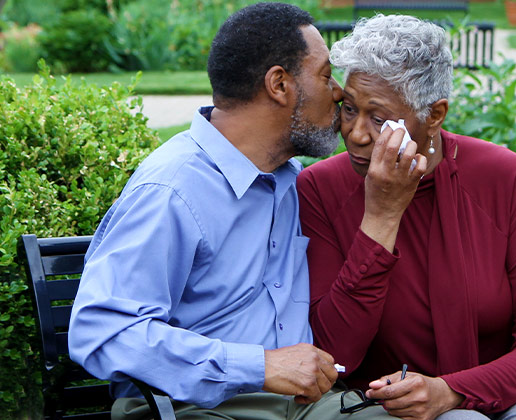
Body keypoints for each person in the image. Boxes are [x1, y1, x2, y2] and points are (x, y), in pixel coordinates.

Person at [68, 3, 391, 419]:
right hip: (196, 408)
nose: (338, 92)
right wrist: (259, 366)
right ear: (279, 84)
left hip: (306, 406)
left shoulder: (284, 176)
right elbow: (103, 330)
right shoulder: (174, 190)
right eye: (326, 75)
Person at [297, 14, 516, 420]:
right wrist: (381, 217)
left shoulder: (506, 178)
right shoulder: (320, 190)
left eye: (379, 118)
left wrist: (451, 390)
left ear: (434, 115)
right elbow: (335, 353)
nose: (357, 133)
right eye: (348, 108)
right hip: (391, 406)